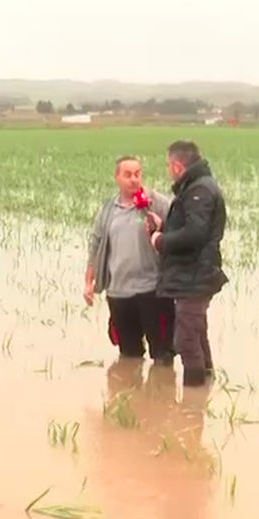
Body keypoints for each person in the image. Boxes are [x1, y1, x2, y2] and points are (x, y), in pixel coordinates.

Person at [150, 141, 228, 387]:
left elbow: (195, 234)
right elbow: (192, 227)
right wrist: (163, 226)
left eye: (168, 166)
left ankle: (192, 408)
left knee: (185, 340)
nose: (168, 171)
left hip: (195, 275)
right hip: (195, 273)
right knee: (197, 333)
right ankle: (204, 389)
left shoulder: (199, 191)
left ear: (177, 166)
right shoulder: (198, 186)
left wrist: (160, 240)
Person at [84, 155, 174, 364]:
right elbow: (96, 244)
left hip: (152, 290)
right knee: (129, 355)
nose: (134, 179)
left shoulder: (157, 203)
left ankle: (161, 395)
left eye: (137, 174)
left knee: (162, 356)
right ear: (117, 178)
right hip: (118, 292)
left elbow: (179, 233)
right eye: (127, 175)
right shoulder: (108, 209)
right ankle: (132, 394)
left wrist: (161, 226)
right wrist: (89, 282)